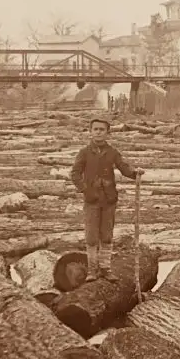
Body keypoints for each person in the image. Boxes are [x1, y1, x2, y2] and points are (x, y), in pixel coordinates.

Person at [70, 119, 144, 282]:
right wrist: (85, 189)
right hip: (91, 200)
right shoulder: (84, 152)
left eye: (102, 129)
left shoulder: (112, 152)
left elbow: (124, 168)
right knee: (91, 236)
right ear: (90, 131)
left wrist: (135, 173)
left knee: (107, 235)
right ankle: (92, 270)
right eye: (95, 129)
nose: (98, 132)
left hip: (109, 199)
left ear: (108, 133)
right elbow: (75, 174)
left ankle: (106, 268)